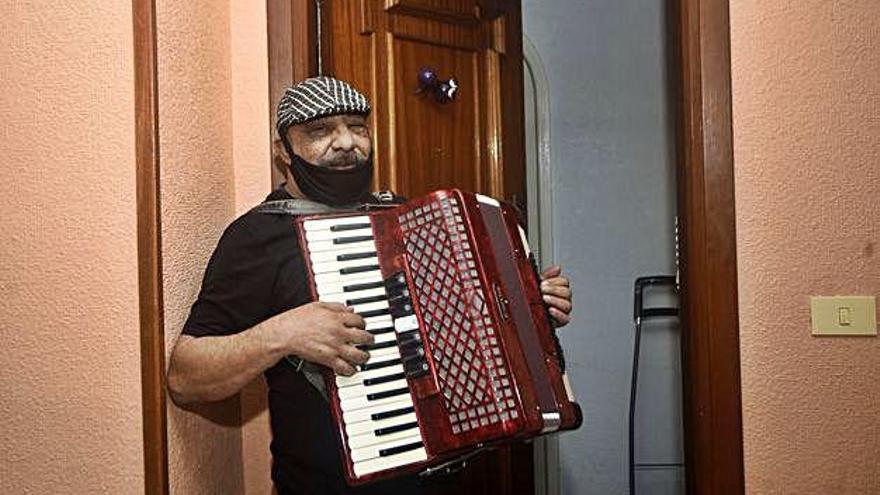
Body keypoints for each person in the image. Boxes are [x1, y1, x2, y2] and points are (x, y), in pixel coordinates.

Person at [166, 76, 573, 495]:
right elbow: (185, 376)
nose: (345, 142)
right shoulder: (257, 237)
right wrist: (282, 334)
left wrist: (529, 305)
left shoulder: (405, 219)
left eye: (356, 126)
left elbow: (469, 327)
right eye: (319, 130)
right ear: (282, 151)